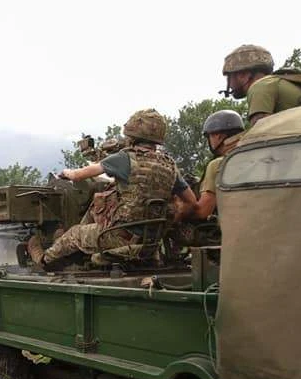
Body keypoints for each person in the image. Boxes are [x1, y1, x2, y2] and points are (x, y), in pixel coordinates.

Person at [27, 109, 197, 270]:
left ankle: (44, 260)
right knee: (104, 198)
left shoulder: (125, 158)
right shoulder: (169, 165)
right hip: (151, 240)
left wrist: (67, 173)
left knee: (74, 234)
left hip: (119, 236)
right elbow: (191, 202)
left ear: (133, 135)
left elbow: (80, 175)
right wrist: (166, 223)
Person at [186, 110, 246, 221]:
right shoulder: (254, 154)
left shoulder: (219, 164)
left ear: (218, 136)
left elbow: (203, 211)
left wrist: (181, 211)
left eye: (209, 136)